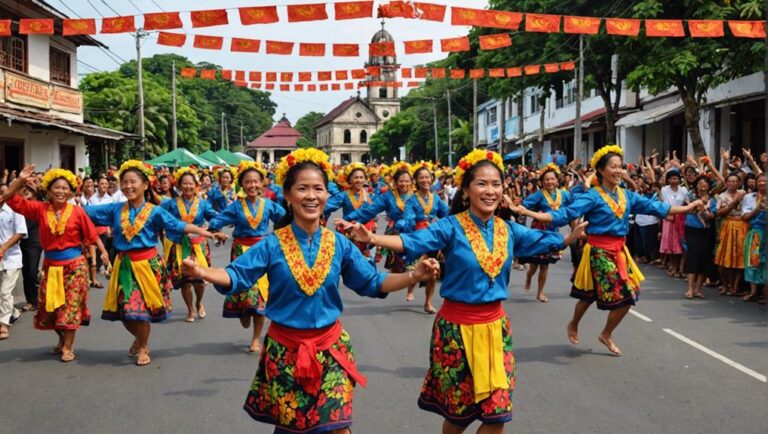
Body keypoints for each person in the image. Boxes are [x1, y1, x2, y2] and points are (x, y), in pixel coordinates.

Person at [182, 148, 439, 434]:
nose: (311, 195)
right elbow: (235, 274)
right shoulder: (271, 244)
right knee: (293, 429)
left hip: (331, 350)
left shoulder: (339, 244)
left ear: (327, 196)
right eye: (302, 188)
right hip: (286, 353)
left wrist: (413, 275)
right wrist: (202, 271)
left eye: (318, 188)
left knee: (338, 428)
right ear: (289, 196)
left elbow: (372, 282)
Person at [343, 149, 586, 434]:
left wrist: (568, 239)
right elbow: (412, 240)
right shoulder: (451, 226)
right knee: (459, 416)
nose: (490, 191)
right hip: (456, 332)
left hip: (495, 330)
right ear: (467, 190)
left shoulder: (508, 230)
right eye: (482, 184)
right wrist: (372, 237)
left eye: (496, 184)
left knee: (497, 415)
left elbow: (540, 240)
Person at [520, 145, 702, 356]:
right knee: (606, 295)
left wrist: (688, 208)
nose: (618, 170)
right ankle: (575, 323)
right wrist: (527, 212)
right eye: (613, 166)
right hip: (599, 252)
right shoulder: (592, 196)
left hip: (620, 251)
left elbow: (657, 208)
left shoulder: (627, 196)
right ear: (601, 170)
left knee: (617, 296)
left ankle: (605, 333)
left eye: (620, 167)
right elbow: (563, 214)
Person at [84, 160, 218, 366]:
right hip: (124, 266)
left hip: (148, 266)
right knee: (125, 312)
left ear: (145, 185)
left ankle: (144, 347)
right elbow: (84, 213)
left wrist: (205, 232)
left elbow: (178, 225)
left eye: (133, 182)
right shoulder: (114, 209)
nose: (128, 186)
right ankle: (139, 339)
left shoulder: (155, 211)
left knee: (140, 310)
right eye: (125, 182)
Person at [4, 166, 110, 362]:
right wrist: (20, 179)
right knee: (52, 309)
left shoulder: (78, 212)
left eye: (65, 188)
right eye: (56, 188)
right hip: (51, 267)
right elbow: (10, 199)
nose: (61, 191)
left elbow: (92, 234)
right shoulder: (40, 209)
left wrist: (103, 253)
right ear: (49, 190)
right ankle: (62, 340)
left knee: (70, 307)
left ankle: (68, 347)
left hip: (75, 266)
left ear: (71, 191)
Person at [208, 161, 285, 353]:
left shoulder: (269, 205)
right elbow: (218, 220)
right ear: (242, 185)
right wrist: (212, 230)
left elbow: (286, 221)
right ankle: (244, 311)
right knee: (244, 296)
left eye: (255, 182)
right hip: (241, 253)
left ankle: (256, 339)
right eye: (248, 182)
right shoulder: (235, 207)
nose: (252, 185)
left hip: (264, 252)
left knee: (260, 297)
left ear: (262, 184)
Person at [161, 167, 221, 322]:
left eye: (191, 183)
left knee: (199, 279)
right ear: (179, 185)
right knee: (185, 281)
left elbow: (215, 218)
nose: (188, 187)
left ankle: (199, 302)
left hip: (198, 246)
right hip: (179, 245)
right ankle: (190, 309)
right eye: (184, 184)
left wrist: (211, 229)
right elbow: (159, 218)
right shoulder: (170, 204)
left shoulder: (203, 203)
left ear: (196, 185)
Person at [399, 161, 450, 313]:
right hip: (420, 237)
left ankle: (428, 302)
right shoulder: (411, 200)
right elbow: (409, 220)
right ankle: (411, 288)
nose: (425, 180)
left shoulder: (436, 198)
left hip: (434, 237)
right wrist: (410, 235)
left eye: (428, 177)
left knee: (433, 272)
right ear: (416, 181)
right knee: (417, 267)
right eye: (421, 178)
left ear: (432, 179)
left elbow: (447, 213)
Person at [519, 163, 573, 302]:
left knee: (545, 265)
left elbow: (573, 208)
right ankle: (528, 277)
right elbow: (524, 206)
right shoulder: (538, 195)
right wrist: (531, 213)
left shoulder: (564, 195)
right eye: (546, 179)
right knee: (534, 265)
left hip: (553, 234)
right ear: (542, 182)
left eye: (552, 179)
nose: (550, 182)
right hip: (538, 232)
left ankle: (540, 292)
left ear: (557, 180)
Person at [682, 176, 717, 299]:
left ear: (708, 186)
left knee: (704, 258)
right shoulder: (690, 196)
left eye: (705, 183)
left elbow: (712, 216)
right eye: (700, 183)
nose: (702, 185)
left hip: (706, 231)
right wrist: (698, 206)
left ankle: (698, 289)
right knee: (693, 256)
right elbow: (687, 209)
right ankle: (690, 289)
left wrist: (705, 211)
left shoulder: (713, 200)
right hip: (692, 229)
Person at [714, 173, 748, 296]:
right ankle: (725, 284)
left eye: (735, 181)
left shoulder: (744, 194)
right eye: (730, 181)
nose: (732, 183)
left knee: (739, 257)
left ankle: (735, 286)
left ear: (739, 183)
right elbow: (719, 213)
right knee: (724, 257)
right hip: (728, 225)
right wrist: (734, 202)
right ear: (726, 183)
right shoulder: (722, 196)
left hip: (742, 225)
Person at [0, 187, 27, 340]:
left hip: (11, 257)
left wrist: (4, 247)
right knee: (1, 292)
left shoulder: (15, 209)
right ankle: (13, 312)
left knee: (5, 292)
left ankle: (4, 325)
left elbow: (20, 232)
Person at [741, 173, 766, 302]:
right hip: (755, 232)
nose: (762, 183)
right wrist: (758, 208)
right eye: (759, 181)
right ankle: (753, 291)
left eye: (764, 181)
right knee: (753, 261)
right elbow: (744, 217)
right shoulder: (749, 197)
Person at [659, 169, 688, 278]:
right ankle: (673, 266)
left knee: (679, 244)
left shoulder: (684, 190)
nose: (673, 180)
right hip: (669, 217)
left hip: (680, 218)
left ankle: (680, 267)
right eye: (671, 178)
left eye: (675, 178)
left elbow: (686, 202)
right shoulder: (665, 189)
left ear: (679, 179)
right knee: (669, 245)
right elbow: (665, 203)